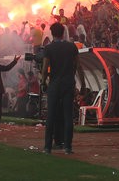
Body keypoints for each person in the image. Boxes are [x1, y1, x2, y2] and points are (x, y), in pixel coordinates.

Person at [41, 22, 82, 154]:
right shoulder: (71, 47)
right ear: (63, 33)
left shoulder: (49, 48)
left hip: (54, 84)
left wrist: (43, 82)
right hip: (68, 84)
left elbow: (45, 68)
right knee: (68, 116)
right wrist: (83, 84)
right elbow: (78, 66)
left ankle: (47, 147)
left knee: (51, 116)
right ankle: (68, 147)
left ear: (52, 33)